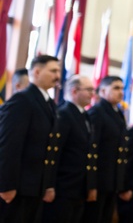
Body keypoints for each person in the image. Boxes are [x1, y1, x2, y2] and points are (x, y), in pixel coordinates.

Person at [0, 54, 60, 223]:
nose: (57, 76)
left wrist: (47, 184)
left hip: (35, 187)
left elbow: (49, 149)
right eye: (53, 71)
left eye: (58, 71)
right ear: (37, 72)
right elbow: (8, 146)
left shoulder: (48, 103)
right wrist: (6, 185)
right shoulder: (22, 100)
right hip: (17, 187)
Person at [43, 75, 97, 223]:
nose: (93, 93)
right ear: (74, 91)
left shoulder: (84, 115)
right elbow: (55, 152)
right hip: (63, 187)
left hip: (78, 188)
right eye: (89, 90)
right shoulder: (65, 114)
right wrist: (49, 185)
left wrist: (90, 185)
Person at [84, 76, 131, 223]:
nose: (121, 92)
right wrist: (91, 184)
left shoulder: (118, 113)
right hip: (99, 181)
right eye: (116, 88)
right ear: (103, 91)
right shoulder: (97, 112)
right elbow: (92, 149)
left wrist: (121, 184)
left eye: (122, 88)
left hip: (112, 182)